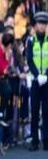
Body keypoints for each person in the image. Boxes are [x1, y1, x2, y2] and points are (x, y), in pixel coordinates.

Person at [26, 12, 48, 151]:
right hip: (35, 81)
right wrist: (37, 75)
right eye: (39, 23)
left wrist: (46, 75)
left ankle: (46, 141)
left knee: (46, 111)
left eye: (44, 23)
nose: (41, 26)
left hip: (47, 81)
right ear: (35, 26)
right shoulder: (30, 41)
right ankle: (34, 141)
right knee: (34, 112)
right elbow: (29, 60)